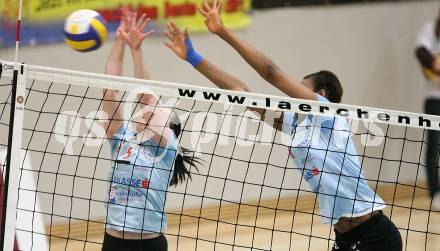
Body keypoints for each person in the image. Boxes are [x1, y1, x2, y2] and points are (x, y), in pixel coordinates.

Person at [164, 1, 402, 250]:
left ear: (321, 94)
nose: (293, 94)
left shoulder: (328, 116)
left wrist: (223, 31)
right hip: (344, 238)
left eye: (301, 88)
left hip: (375, 235)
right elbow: (240, 91)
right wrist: (193, 58)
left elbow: (271, 73)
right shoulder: (293, 124)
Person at [102, 10, 200, 251]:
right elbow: (109, 90)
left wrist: (138, 51)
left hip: (149, 245)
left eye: (159, 113)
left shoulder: (167, 151)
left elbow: (146, 98)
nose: (150, 111)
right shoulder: (121, 141)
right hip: (112, 242)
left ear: (171, 131)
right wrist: (120, 42)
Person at [415, 6, 440, 210]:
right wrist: (434, 65)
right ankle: (436, 193)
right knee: (434, 145)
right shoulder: (431, 28)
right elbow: (420, 51)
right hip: (434, 97)